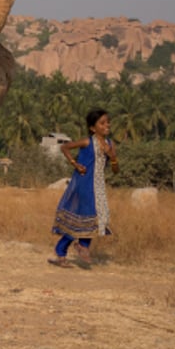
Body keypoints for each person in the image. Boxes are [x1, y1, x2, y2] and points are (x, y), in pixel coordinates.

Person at [48, 109, 119, 269]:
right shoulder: (87, 142)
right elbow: (64, 147)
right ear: (93, 128)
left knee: (96, 218)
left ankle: (61, 253)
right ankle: (83, 246)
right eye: (102, 123)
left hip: (98, 186)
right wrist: (75, 164)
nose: (107, 125)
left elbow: (115, 170)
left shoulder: (110, 144)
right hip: (84, 184)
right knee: (87, 217)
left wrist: (112, 157)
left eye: (107, 122)